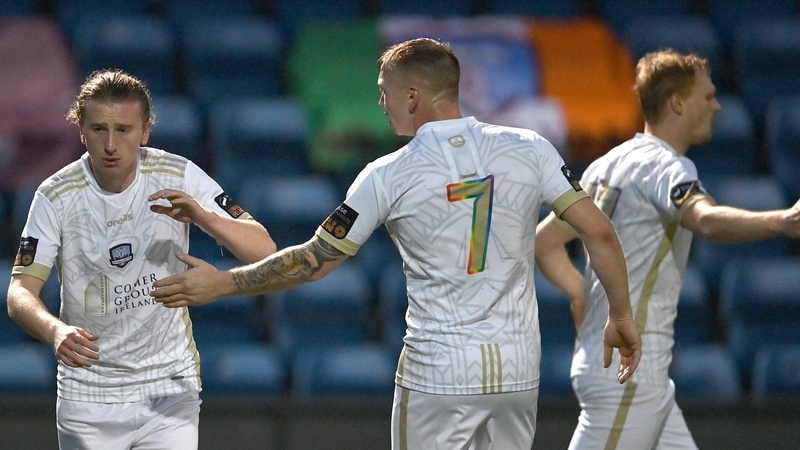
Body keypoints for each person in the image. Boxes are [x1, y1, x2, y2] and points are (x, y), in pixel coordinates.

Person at [150, 38, 641, 450]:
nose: (381, 104)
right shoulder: (530, 148)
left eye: (384, 92)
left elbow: (313, 263)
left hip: (439, 373)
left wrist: (224, 283)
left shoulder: (388, 174)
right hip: (516, 369)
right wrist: (619, 316)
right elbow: (598, 231)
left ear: (412, 96)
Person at [535, 49, 800, 450]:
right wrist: (781, 221)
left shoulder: (606, 166)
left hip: (633, 372)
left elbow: (545, 241)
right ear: (677, 101)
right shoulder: (668, 167)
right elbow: (706, 221)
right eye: (707, 96)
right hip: (629, 374)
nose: (716, 106)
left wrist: (580, 295)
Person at [6, 69, 276, 450]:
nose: (111, 144)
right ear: (81, 131)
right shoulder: (55, 195)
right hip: (89, 394)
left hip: (169, 386)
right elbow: (20, 292)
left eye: (124, 129)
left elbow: (264, 250)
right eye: (99, 129)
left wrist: (203, 216)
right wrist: (55, 331)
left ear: (146, 131)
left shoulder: (177, 173)